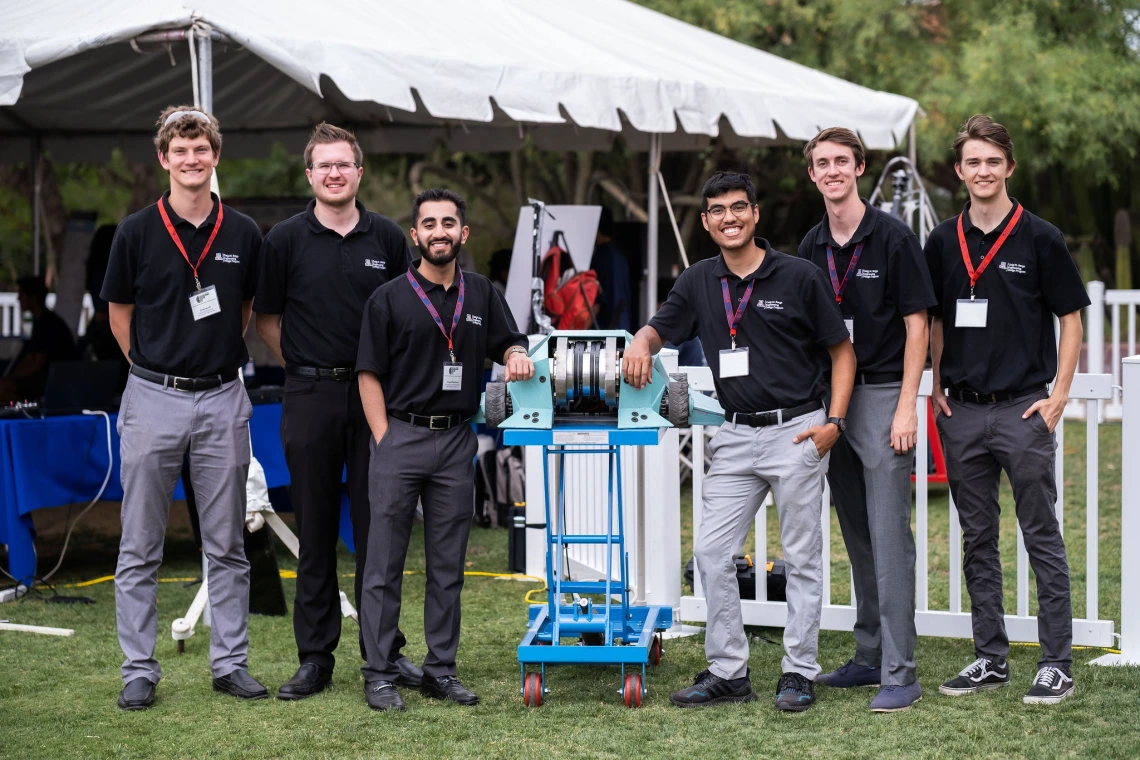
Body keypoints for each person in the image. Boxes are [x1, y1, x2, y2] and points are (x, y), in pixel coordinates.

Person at [623, 171, 855, 712]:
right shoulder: (698, 280)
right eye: (717, 211)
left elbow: (842, 353)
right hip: (733, 434)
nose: (729, 218)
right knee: (710, 553)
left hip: (798, 430)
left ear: (755, 214)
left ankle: (798, 670)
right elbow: (662, 328)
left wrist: (834, 424)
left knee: (800, 557)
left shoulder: (798, 276)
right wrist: (641, 339)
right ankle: (729, 670)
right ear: (705, 221)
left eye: (738, 208)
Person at [101, 105, 267, 710]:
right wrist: (150, 369)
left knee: (226, 542)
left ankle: (230, 663)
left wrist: (210, 361)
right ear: (164, 158)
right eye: (180, 150)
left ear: (215, 157)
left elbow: (247, 309)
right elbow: (119, 312)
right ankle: (138, 670)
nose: (191, 159)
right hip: (152, 397)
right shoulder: (136, 231)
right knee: (139, 543)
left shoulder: (244, 232)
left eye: (201, 149)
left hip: (224, 397)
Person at [254, 123, 419, 700]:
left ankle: (385, 652)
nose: (333, 173)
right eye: (323, 165)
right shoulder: (284, 241)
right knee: (316, 530)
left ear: (358, 171)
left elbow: (407, 317)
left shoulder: (389, 239)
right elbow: (267, 322)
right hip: (310, 397)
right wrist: (305, 366)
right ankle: (315, 658)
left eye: (342, 164)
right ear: (310, 174)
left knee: (379, 529)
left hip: (377, 398)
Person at [927, 114, 1088, 706]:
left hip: (1023, 409)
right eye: (974, 161)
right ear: (960, 171)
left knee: (1040, 534)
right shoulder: (943, 241)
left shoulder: (1041, 237)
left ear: (1009, 168)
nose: (984, 171)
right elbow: (937, 319)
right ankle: (989, 658)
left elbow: (1070, 318)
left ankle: (1055, 663)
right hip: (963, 413)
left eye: (993, 161)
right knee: (976, 539)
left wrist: (1060, 394)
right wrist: (936, 382)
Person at [355, 188, 534, 712]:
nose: (439, 231)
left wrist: (517, 352)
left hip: (457, 441)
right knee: (383, 564)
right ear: (415, 235)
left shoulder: (481, 292)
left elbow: (510, 339)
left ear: (463, 233)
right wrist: (384, 439)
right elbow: (368, 374)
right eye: (429, 223)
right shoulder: (387, 297)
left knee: (447, 565)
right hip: (400, 436)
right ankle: (380, 672)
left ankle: (440, 670)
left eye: (449, 223)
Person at [798, 127, 935, 712]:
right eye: (821, 163)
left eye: (841, 162)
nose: (832, 171)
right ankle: (869, 654)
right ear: (813, 174)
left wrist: (907, 404)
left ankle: (901, 673)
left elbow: (917, 326)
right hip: (833, 401)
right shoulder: (810, 246)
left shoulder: (894, 238)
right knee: (855, 534)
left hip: (881, 396)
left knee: (888, 535)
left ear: (858, 168)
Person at [0, 275, 76, 404]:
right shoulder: (41, 321)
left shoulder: (48, 324)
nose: (18, 298)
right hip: (46, 378)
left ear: (33, 298)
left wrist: (8, 379)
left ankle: (29, 416)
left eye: (22, 294)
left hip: (56, 382)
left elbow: (36, 364)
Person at [589, 206, 632, 330]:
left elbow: (597, 301)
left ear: (596, 229)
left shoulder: (599, 258)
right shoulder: (620, 257)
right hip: (623, 326)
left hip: (606, 331)